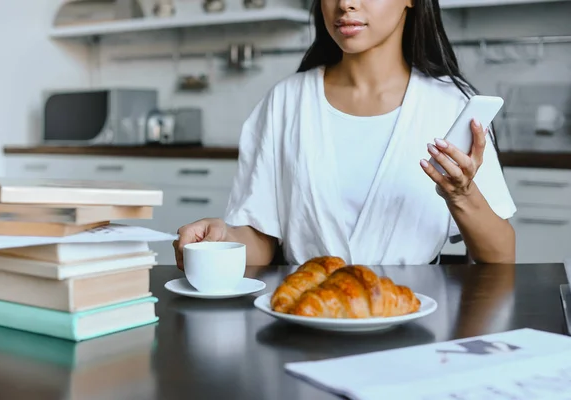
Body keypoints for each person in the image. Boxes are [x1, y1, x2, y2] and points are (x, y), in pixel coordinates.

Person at [174, 0, 517, 268]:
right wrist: (223, 241)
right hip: (306, 313)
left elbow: (499, 258)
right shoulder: (286, 101)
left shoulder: (452, 106)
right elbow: (262, 241)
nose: (345, 5)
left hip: (415, 316)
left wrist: (461, 195)